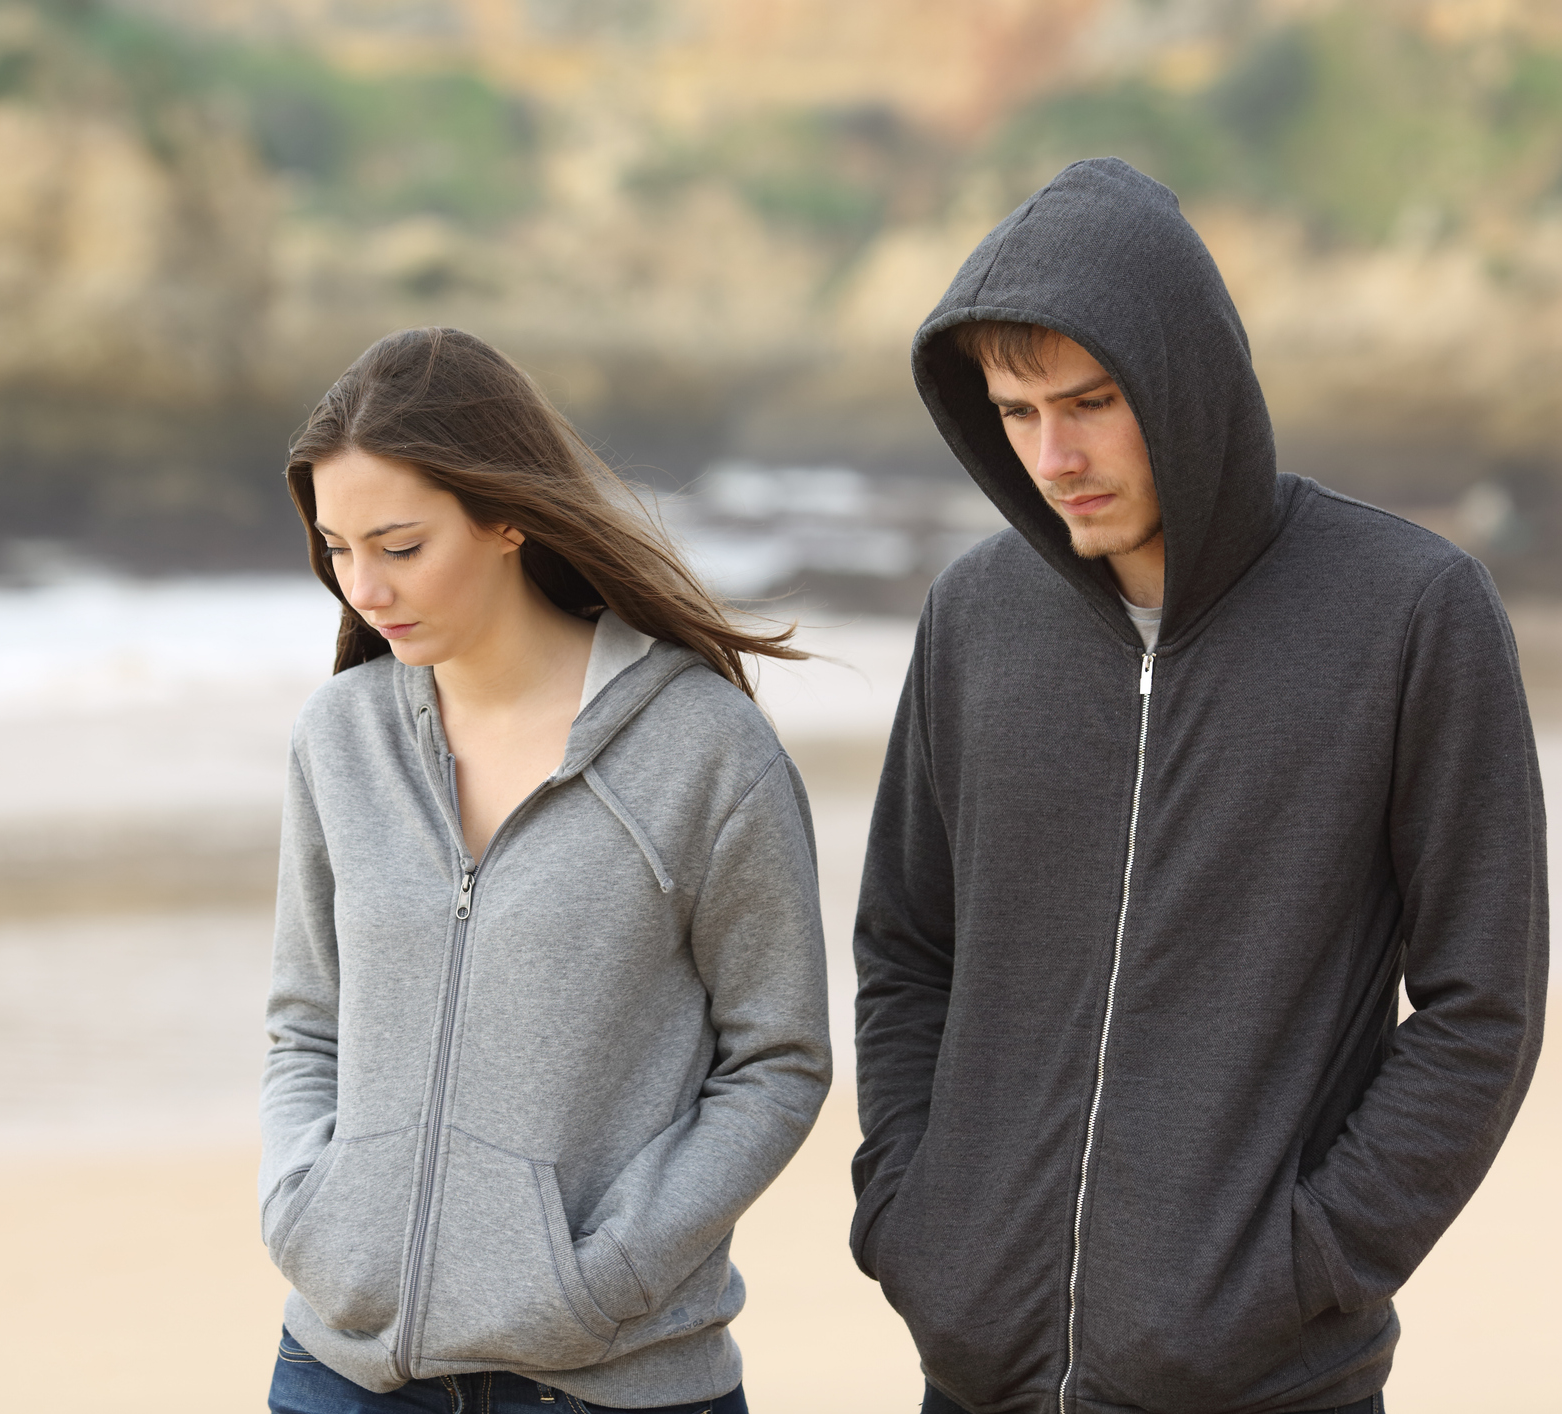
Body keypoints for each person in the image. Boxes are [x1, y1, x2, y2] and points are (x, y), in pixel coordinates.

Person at [851, 158, 1547, 1414]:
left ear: (1188, 380)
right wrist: (914, 1216)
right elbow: (907, 949)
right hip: (976, 1376)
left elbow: (1481, 1000)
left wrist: (1313, 1260)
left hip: (1267, 1382)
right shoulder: (976, 618)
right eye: (1014, 413)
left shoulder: (1406, 614)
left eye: (1092, 400)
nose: (1054, 455)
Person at [261, 326, 833, 1414]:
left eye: (400, 544)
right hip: (344, 1369)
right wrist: (305, 1213)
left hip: (609, 1383)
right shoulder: (340, 737)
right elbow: (306, 1022)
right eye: (337, 548)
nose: (364, 587)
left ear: (508, 515)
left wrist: (603, 1277)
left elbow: (778, 1058)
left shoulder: (701, 750)